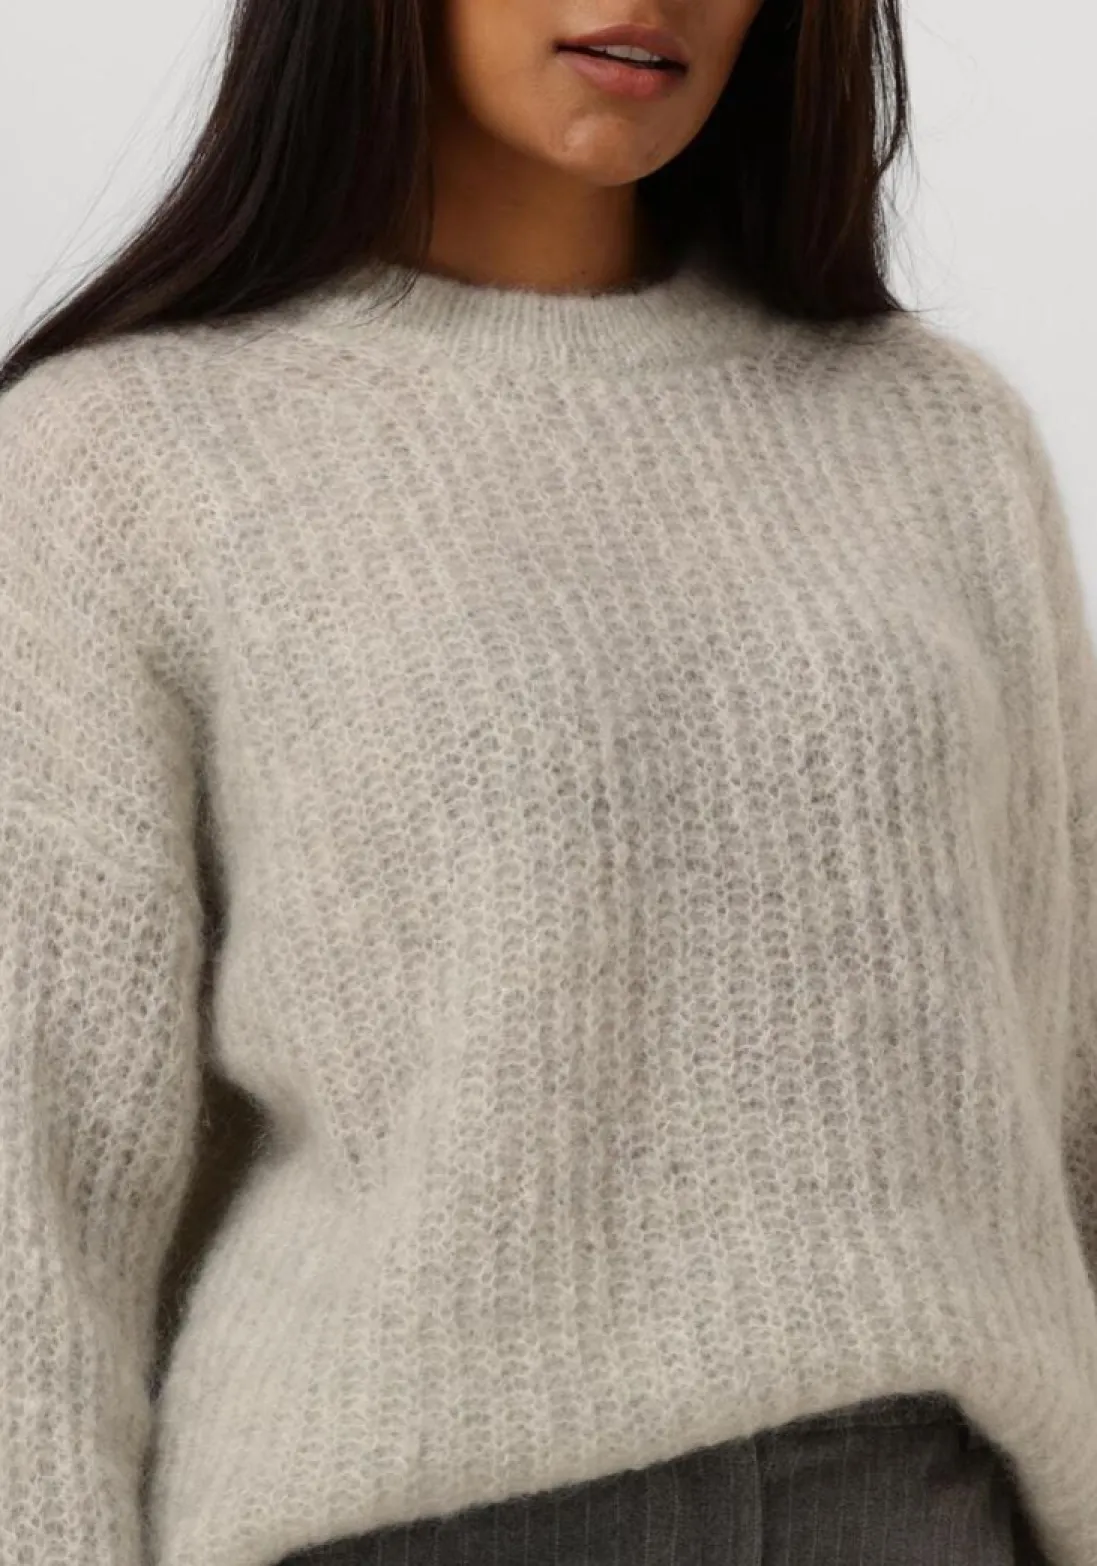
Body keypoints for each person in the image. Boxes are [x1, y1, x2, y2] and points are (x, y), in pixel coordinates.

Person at [0, 0, 1092, 1561]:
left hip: (919, 1506)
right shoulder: (124, 461)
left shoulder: (938, 439)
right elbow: (34, 1205)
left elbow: (1066, 1096)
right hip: (409, 1517)